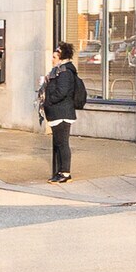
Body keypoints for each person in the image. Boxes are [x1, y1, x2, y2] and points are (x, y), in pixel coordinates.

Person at [40, 42, 85, 184]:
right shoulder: (59, 71)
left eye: (54, 57)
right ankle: (61, 171)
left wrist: (49, 100)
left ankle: (65, 173)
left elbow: (61, 92)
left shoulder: (64, 72)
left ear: (61, 57)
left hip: (62, 112)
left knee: (62, 143)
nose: (52, 59)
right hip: (58, 112)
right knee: (59, 143)